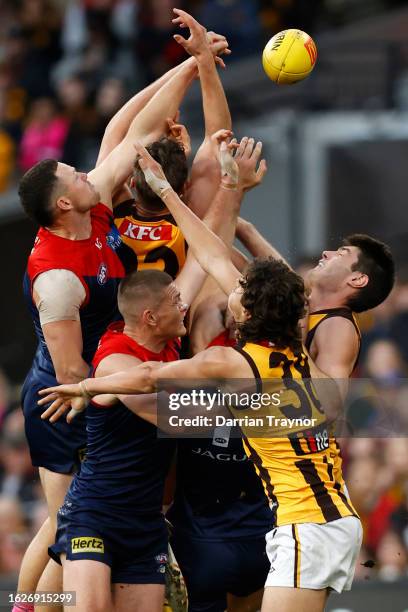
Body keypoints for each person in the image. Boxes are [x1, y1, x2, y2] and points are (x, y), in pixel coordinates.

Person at [41, 144, 363, 612]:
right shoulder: (294, 344)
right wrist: (194, 194)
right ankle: (25, 603)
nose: (195, 303)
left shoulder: (234, 362)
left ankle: (26, 602)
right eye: (178, 303)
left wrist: (85, 386)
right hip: (112, 513)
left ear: (250, 312)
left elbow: (155, 381)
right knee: (68, 593)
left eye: (239, 294)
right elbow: (211, 257)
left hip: (299, 523)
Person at [16, 58, 200, 611]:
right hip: (65, 398)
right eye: (75, 175)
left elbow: (134, 131)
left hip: (111, 370)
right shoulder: (58, 280)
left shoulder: (89, 207)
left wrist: (192, 68)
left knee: (70, 523)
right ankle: (29, 607)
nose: (88, 173)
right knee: (66, 523)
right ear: (63, 203)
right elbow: (72, 374)